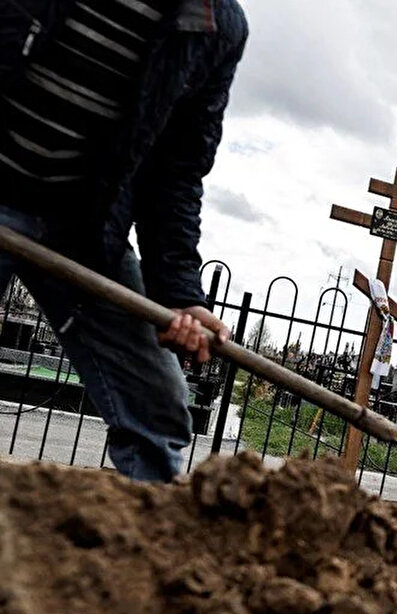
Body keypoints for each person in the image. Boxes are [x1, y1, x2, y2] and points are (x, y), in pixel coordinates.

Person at [0, 0, 248, 482]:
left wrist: (179, 294)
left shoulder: (215, 26)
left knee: (157, 406)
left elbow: (176, 172)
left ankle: (145, 543)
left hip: (83, 227)